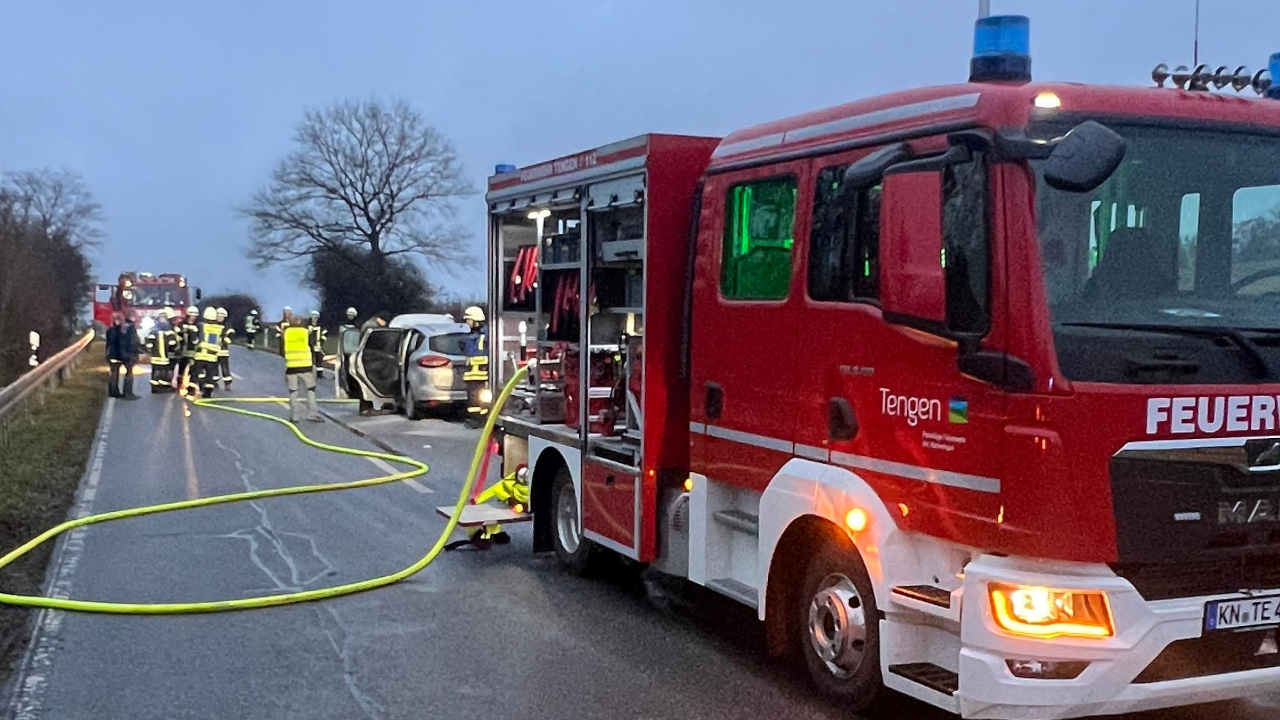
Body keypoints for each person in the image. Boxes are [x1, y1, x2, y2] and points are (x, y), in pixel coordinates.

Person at [280, 310, 322, 423]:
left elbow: (282, 351)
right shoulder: (305, 332)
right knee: (310, 390)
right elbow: (312, 346)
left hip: (291, 367)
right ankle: (312, 414)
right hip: (306, 366)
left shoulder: (286, 333)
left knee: (293, 391)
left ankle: (295, 417)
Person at [462, 306, 489, 425]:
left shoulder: (486, 334)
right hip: (472, 375)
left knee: (480, 399)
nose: (467, 322)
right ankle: (474, 419)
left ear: (476, 320)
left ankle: (480, 420)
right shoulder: (471, 336)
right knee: (473, 399)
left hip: (482, 374)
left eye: (468, 320)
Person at [105, 312, 140, 399]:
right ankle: (127, 393)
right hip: (124, 354)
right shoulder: (127, 329)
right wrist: (133, 354)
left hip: (113, 355)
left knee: (114, 373)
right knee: (128, 372)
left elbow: (109, 343)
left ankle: (113, 392)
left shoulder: (111, 330)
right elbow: (132, 342)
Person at [191, 306, 222, 399]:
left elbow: (195, 339)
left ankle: (196, 390)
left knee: (197, 374)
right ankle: (207, 393)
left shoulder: (201, 326)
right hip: (212, 357)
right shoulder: (218, 328)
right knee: (210, 376)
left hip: (200, 355)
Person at [144, 307, 177, 393]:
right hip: (162, 357)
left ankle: (156, 388)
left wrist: (150, 350)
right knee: (161, 373)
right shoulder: (166, 331)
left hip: (157, 357)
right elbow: (173, 343)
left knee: (158, 373)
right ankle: (161, 388)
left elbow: (148, 343)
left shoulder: (154, 331)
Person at [175, 305, 200, 393]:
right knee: (181, 368)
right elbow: (177, 335)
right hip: (183, 351)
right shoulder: (181, 324)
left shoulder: (198, 325)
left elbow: (199, 338)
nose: (193, 317)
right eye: (192, 315)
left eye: (195, 316)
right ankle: (179, 385)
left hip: (193, 351)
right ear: (188, 315)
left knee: (193, 370)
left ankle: (191, 388)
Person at [216, 307, 234, 390]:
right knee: (214, 368)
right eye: (218, 316)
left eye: (221, 316)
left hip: (223, 351)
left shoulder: (228, 326)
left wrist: (223, 340)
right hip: (214, 351)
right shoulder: (213, 325)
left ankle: (227, 384)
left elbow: (230, 338)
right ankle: (214, 382)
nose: (220, 318)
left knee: (225, 368)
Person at [308, 310, 328, 379]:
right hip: (309, 347)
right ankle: (308, 374)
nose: (314, 318)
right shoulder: (307, 326)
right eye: (313, 317)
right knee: (309, 360)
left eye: (316, 317)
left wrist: (321, 342)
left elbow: (325, 334)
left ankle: (320, 374)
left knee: (319, 361)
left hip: (318, 346)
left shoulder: (321, 326)